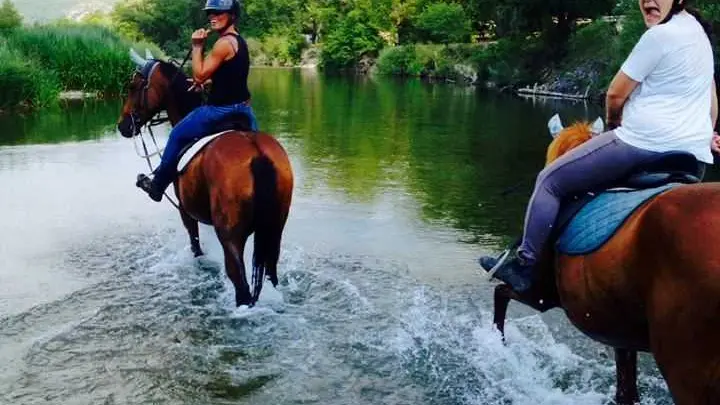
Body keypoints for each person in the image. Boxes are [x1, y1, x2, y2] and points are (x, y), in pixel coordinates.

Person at [479, 0, 718, 292]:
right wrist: (705, 132)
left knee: (550, 181)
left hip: (642, 144)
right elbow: (711, 101)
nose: (649, 1)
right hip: (693, 157)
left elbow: (616, 94)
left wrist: (614, 125)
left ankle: (525, 266)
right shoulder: (698, 34)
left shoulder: (659, 36)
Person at [136, 0, 257, 202]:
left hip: (220, 111)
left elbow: (199, 73)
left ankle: (157, 186)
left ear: (232, 15)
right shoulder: (238, 41)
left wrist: (197, 46)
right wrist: (209, 83)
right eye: (210, 13)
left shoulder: (223, 43)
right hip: (244, 110)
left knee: (176, 135)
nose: (212, 17)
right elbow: (232, 75)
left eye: (219, 13)